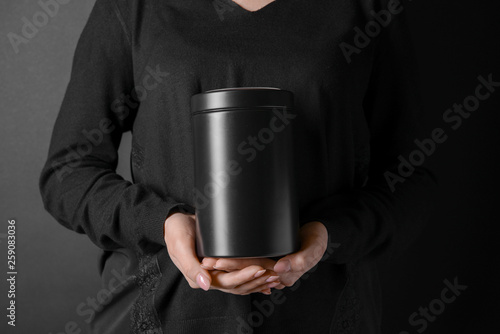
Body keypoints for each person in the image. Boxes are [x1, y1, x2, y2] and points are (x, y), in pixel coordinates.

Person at [39, 0, 437, 333]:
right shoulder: (133, 7)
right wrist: (162, 223)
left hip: (322, 314)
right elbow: (69, 173)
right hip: (166, 312)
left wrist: (328, 235)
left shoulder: (367, 7)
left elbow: (411, 179)